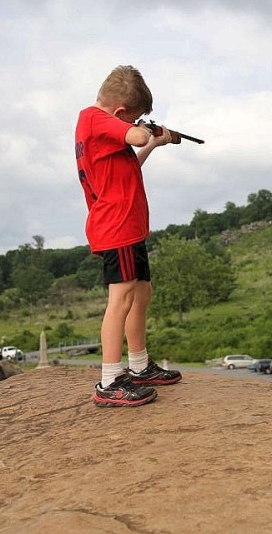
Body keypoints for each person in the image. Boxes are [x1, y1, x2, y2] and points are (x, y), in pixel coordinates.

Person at [75, 65, 184, 407]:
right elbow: (135, 135)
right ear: (121, 112)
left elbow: (128, 166)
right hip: (116, 227)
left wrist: (156, 142)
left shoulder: (102, 130)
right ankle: (109, 380)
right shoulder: (95, 120)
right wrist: (144, 130)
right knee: (120, 300)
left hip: (128, 226)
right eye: (134, 116)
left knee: (141, 293)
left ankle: (138, 366)